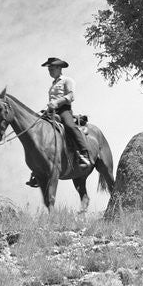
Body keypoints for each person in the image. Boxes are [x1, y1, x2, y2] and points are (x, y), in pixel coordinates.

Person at [26, 56, 91, 187]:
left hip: (64, 110)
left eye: (52, 68)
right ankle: (38, 168)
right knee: (38, 128)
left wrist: (56, 102)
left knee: (69, 126)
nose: (49, 71)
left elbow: (71, 96)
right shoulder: (53, 84)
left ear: (59, 68)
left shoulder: (67, 80)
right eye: (49, 69)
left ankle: (84, 154)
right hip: (52, 112)